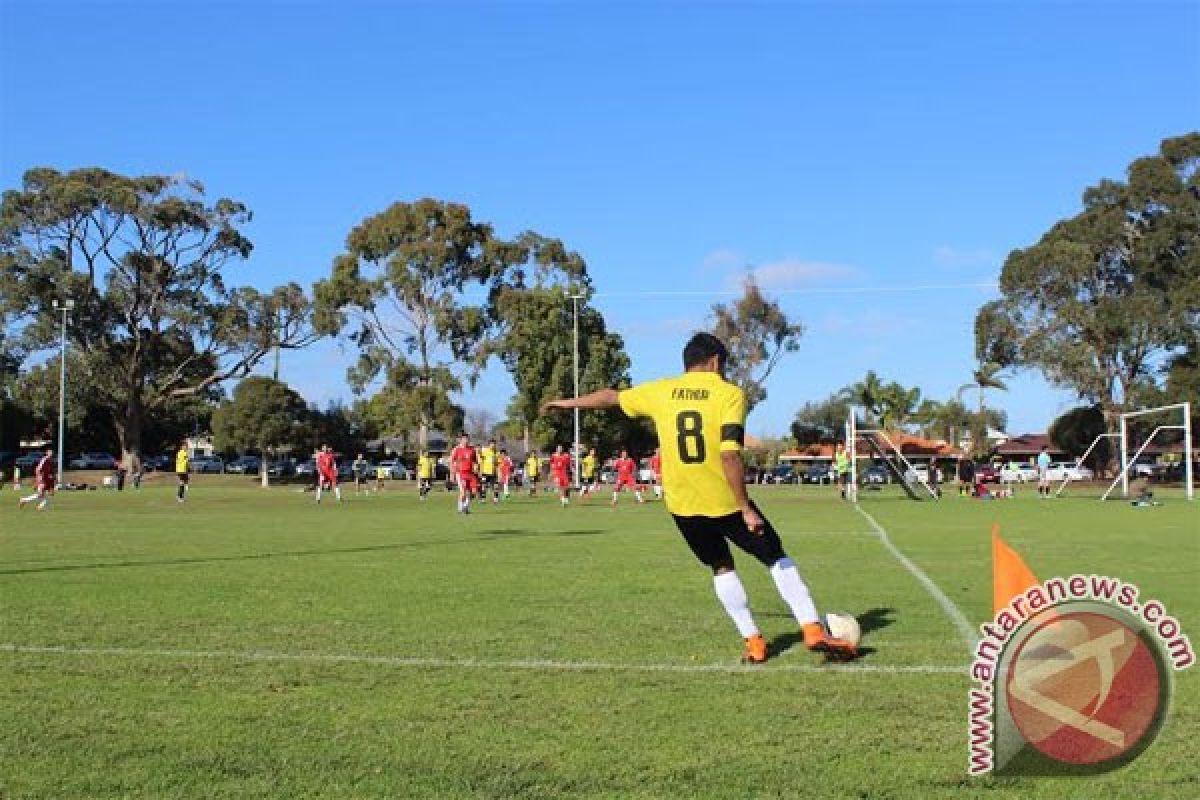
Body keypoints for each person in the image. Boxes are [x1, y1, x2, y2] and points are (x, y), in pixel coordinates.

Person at [542, 333, 856, 663]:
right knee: (776, 558)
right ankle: (811, 629)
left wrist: (566, 403)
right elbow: (730, 455)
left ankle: (754, 642)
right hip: (723, 500)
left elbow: (611, 397)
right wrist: (745, 507)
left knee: (721, 567)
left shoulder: (660, 391)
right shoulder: (729, 394)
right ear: (716, 362)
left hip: (682, 505)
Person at [450, 434, 479, 514]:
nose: (466, 441)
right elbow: (452, 462)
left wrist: (476, 467)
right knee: (463, 492)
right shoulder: (456, 449)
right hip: (460, 473)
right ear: (461, 440)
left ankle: (465, 507)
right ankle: (460, 508)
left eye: (467, 439)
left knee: (473, 492)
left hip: (470, 473)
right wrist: (452, 474)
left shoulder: (472, 449)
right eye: (464, 439)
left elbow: (475, 461)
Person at [479, 439, 500, 504]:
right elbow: (480, 459)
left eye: (494, 444)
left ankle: (495, 499)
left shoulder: (497, 453)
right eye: (491, 444)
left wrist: (498, 472)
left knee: (495, 486)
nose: (493, 445)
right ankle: (483, 499)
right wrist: (480, 470)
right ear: (489, 444)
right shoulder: (484, 451)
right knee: (483, 486)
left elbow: (498, 463)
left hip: (493, 472)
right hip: (485, 472)